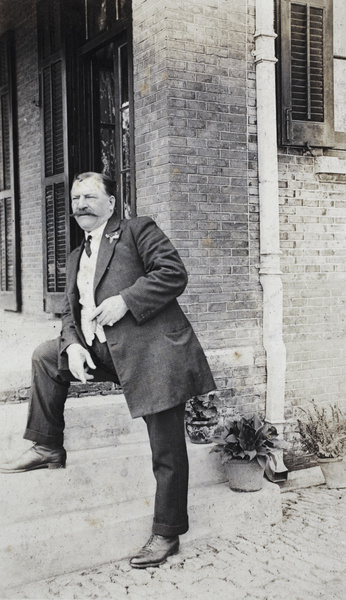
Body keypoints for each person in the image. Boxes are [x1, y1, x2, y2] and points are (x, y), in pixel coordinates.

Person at [0, 172, 216, 569]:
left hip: (153, 354)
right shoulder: (74, 256)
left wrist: (124, 301)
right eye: (76, 197)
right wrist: (75, 345)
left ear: (112, 204)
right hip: (102, 352)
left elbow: (173, 273)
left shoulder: (137, 231)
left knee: (165, 449)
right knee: (47, 357)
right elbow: (69, 313)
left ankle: (167, 532)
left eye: (90, 197)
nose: (81, 204)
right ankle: (47, 445)